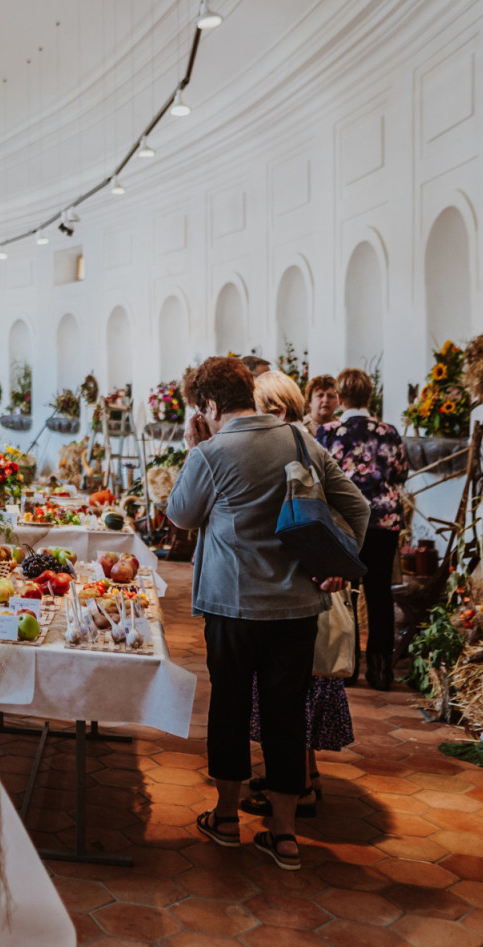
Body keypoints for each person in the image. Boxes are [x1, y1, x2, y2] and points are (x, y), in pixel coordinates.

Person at [165, 356, 369, 870]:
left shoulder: (211, 452)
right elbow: (359, 508)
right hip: (298, 607)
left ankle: (228, 820)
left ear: (208, 406)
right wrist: (338, 568)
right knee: (286, 714)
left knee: (229, 708)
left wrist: (194, 450)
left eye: (202, 411)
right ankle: (284, 836)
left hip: (231, 606)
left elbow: (180, 515)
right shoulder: (303, 442)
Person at [243, 371, 356, 817]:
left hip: (299, 589)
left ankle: (300, 789)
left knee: (291, 697)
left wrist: (334, 567)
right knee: (294, 694)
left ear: (272, 408)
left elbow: (322, 515)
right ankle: (298, 777)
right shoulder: (304, 441)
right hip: (306, 585)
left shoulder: (295, 448)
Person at [315, 367, 409, 691]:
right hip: (384, 520)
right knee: (379, 591)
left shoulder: (327, 433)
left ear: (339, 399)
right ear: (371, 397)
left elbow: (318, 476)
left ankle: (350, 665)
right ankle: (382, 670)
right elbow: (400, 472)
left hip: (345, 522)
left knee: (346, 591)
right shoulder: (388, 431)